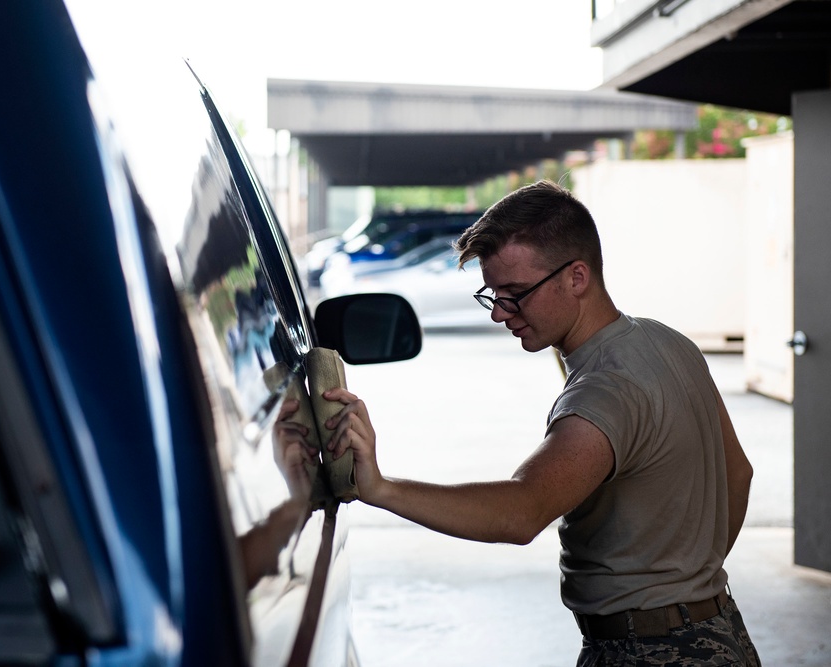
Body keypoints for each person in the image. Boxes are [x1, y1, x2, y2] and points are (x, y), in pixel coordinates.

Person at [313, 180, 760, 665]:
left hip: (649, 651)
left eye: (516, 294)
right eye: (493, 294)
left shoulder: (605, 392)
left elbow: (521, 511)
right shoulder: (669, 343)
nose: (500, 313)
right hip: (720, 631)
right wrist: (688, 582)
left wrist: (380, 487)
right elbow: (739, 475)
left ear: (577, 277)